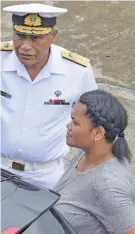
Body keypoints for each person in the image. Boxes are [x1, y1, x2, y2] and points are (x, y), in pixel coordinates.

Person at [1, 3, 98, 189]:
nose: (25, 46)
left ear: (53, 36)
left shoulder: (77, 71)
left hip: (45, 177)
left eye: (36, 38)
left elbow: (93, 122)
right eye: (20, 36)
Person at [54, 90, 135, 234]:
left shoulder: (109, 188)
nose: (68, 125)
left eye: (75, 122)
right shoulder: (86, 155)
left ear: (98, 133)